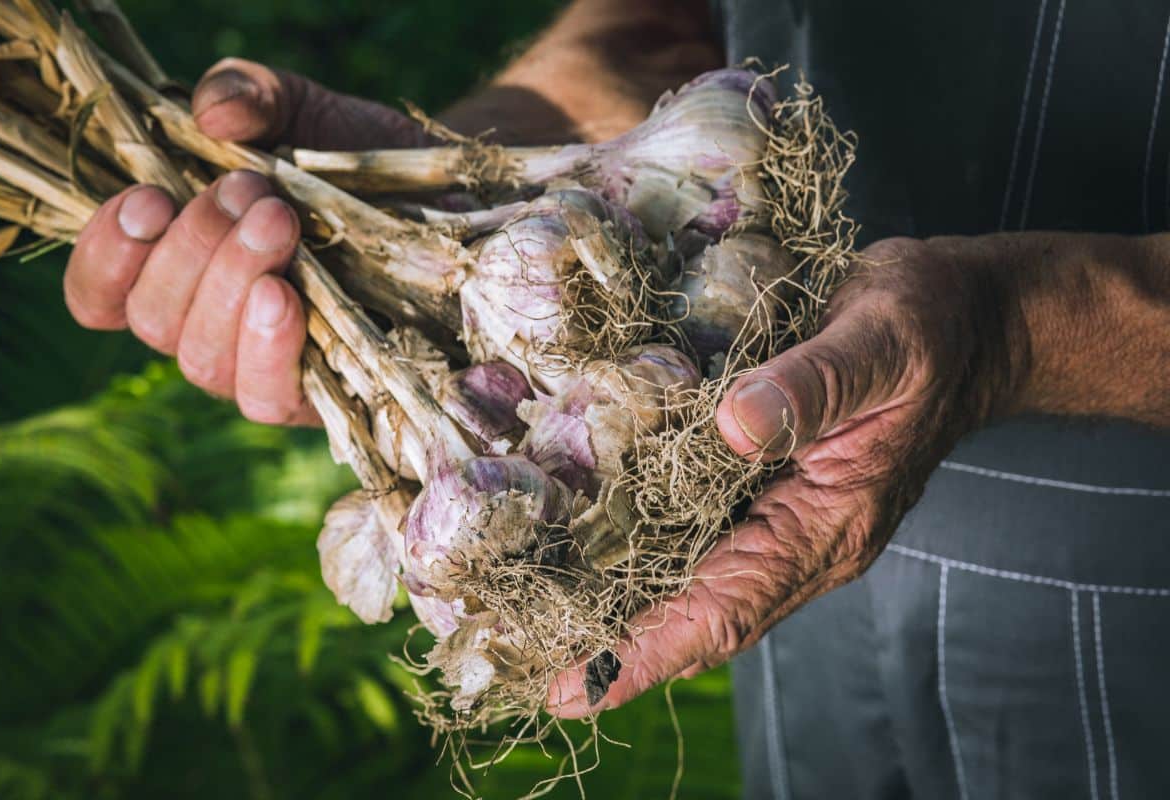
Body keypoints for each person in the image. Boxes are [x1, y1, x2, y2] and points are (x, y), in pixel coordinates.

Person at [62, 1, 1170, 797]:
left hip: (1126, 605)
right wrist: (498, 154)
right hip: (783, 558)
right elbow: (657, 19)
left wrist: (1021, 329)